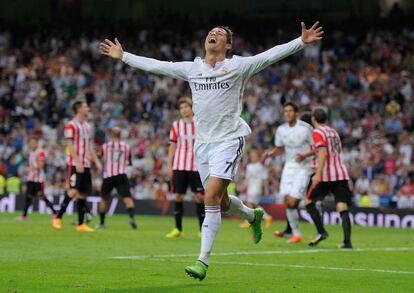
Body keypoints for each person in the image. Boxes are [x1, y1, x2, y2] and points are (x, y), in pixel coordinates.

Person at [100, 22, 323, 280]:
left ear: (228, 45)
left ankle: (202, 261)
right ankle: (252, 215)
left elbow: (271, 55)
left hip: (229, 140)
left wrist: (301, 42)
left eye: (219, 34)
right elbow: (158, 65)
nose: (212, 34)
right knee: (221, 201)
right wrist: (124, 56)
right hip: (202, 144)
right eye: (211, 32)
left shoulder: (238, 66)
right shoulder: (193, 68)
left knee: (210, 198)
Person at [263, 102, 313, 244]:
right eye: (285, 111)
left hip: (303, 168)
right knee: (288, 202)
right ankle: (295, 234)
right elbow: (280, 149)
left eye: (290, 111)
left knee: (293, 201)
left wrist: (305, 155)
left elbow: (317, 148)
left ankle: (313, 209)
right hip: (289, 168)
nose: (288, 113)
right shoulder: (281, 130)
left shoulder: (306, 129)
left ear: (296, 113)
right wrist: (270, 153)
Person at [305, 107, 353, 249]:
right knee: (342, 206)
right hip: (341, 173)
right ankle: (347, 242)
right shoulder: (333, 132)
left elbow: (323, 152)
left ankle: (321, 231)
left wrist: (318, 174)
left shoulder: (317, 132)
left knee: (308, 201)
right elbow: (326, 149)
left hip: (326, 174)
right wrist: (305, 155)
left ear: (313, 118)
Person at [53, 100, 102, 232]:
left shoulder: (87, 126)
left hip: (86, 164)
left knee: (82, 194)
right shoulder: (71, 125)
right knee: (73, 190)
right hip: (75, 163)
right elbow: (70, 145)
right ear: (78, 109)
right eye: (85, 106)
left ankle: (80, 224)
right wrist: (77, 161)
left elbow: (89, 146)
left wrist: (96, 161)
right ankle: (58, 217)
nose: (87, 108)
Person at [165, 97, 205, 238]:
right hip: (179, 166)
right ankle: (178, 229)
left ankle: (202, 230)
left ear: (191, 108)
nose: (183, 110)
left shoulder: (200, 124)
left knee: (200, 197)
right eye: (181, 108)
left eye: (186, 107)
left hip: (196, 167)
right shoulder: (176, 126)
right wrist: (169, 165)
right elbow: (172, 147)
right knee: (178, 196)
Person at [99, 127, 137, 229]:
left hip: (108, 175)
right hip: (121, 175)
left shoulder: (105, 146)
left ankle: (102, 223)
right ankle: (132, 218)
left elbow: (99, 156)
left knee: (104, 200)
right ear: (120, 135)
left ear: (111, 135)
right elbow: (130, 162)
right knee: (127, 199)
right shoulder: (126, 147)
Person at [17, 137, 56, 220]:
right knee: (28, 197)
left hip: (39, 179)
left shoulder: (41, 152)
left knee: (42, 196)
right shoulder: (31, 152)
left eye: (33, 143)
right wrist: (29, 169)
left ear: (37, 143)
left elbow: (41, 166)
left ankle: (55, 213)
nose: (32, 144)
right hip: (31, 178)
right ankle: (24, 216)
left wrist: (30, 168)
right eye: (31, 143)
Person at [240, 149, 272, 229]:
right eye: (251, 156)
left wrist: (266, 189)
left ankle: (249, 221)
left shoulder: (260, 167)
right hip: (251, 188)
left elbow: (265, 179)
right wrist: (243, 186)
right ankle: (267, 217)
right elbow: (247, 178)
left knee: (250, 203)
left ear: (258, 157)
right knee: (254, 205)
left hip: (257, 188)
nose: (252, 157)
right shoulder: (249, 166)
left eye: (254, 156)